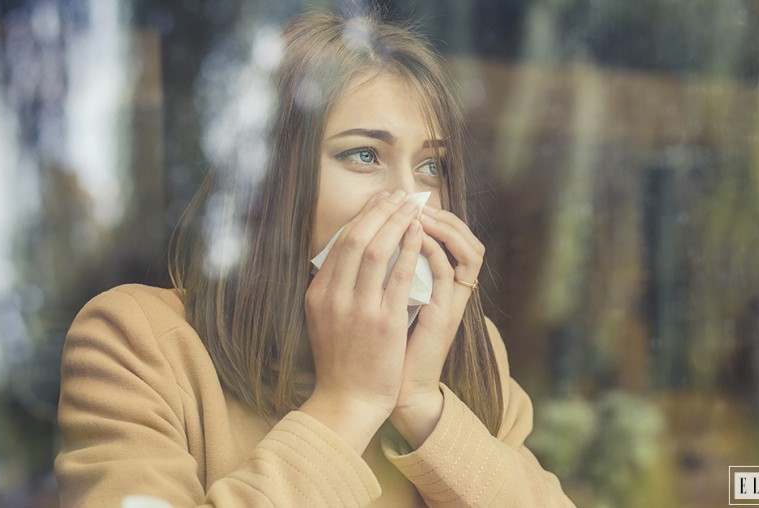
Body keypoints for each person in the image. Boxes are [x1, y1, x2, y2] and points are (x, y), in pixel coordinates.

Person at [55, 9, 576, 507]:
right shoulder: (138, 342)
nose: (406, 200)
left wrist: (421, 402)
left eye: (430, 167)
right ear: (274, 180)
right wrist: (348, 402)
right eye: (364, 155)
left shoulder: (467, 349)